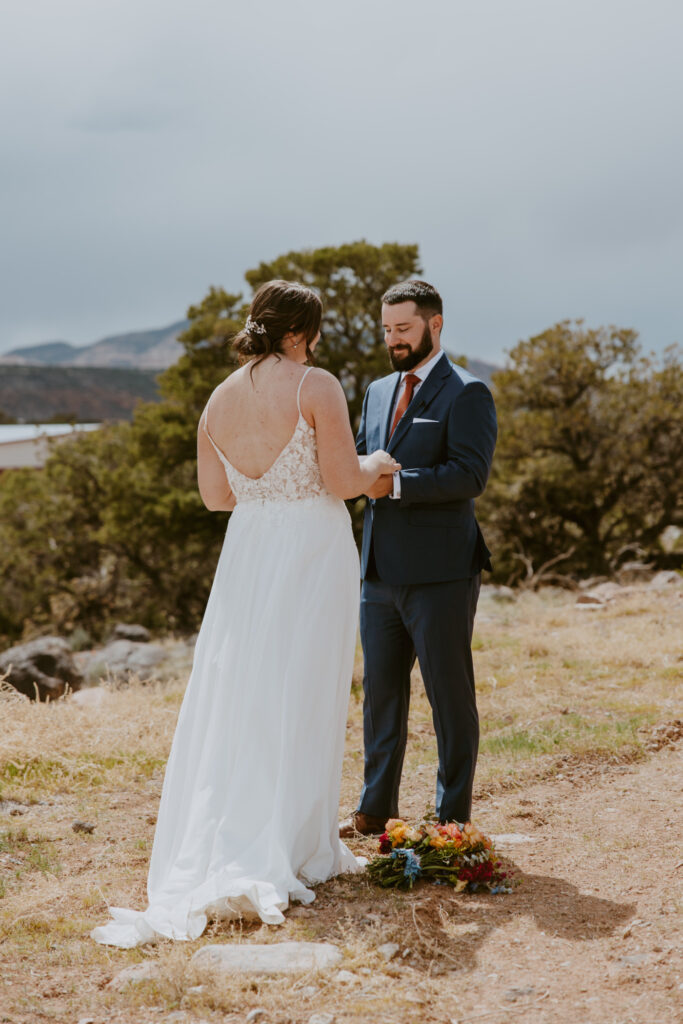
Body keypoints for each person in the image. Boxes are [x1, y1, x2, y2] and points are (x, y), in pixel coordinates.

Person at [92, 280, 399, 947]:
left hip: (250, 551)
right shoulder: (314, 384)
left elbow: (214, 496)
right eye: (314, 333)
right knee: (304, 687)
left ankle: (249, 828)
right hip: (311, 549)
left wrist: (269, 492)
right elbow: (345, 483)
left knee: (247, 690)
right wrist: (376, 463)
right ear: (302, 332)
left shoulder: (218, 398)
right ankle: (296, 843)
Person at [340, 280, 497, 837]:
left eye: (403, 329)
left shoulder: (468, 392)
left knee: (449, 699)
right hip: (377, 572)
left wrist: (396, 484)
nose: (394, 339)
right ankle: (374, 809)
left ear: (435, 324)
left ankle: (452, 819)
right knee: (381, 697)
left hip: (441, 573)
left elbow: (470, 475)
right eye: (386, 329)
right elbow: (360, 459)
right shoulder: (377, 390)